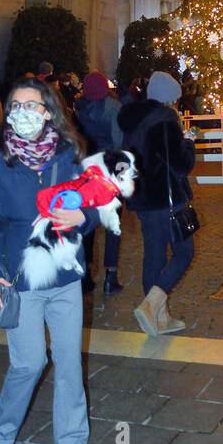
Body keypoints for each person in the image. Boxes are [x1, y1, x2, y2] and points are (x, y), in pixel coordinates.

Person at [0, 79, 99, 444]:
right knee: (28, 363)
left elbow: (97, 203)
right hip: (20, 278)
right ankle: (0, 432)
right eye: (16, 105)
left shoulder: (71, 154)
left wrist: (84, 217)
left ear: (49, 111)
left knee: (68, 363)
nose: (22, 113)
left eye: (32, 106)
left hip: (65, 277)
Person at [118, 71, 196, 336]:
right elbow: (181, 165)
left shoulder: (134, 119)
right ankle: (152, 305)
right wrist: (188, 143)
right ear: (168, 98)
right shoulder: (166, 122)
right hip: (166, 198)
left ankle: (158, 318)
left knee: (153, 254)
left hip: (142, 198)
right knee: (184, 252)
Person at [75, 70, 125, 295]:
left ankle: (85, 273)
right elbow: (118, 141)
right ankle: (110, 275)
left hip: (86, 172)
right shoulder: (114, 108)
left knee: (87, 225)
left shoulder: (79, 109)